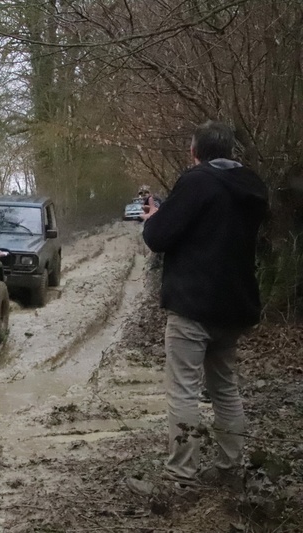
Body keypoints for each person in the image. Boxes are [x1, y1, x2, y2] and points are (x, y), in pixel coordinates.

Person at [139, 120, 269, 489]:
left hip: (193, 306)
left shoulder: (196, 182)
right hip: (235, 305)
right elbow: (217, 227)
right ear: (229, 151)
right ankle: (231, 470)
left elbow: (159, 238)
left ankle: (181, 478)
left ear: (195, 153)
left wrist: (154, 217)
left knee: (183, 391)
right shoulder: (252, 185)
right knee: (226, 389)